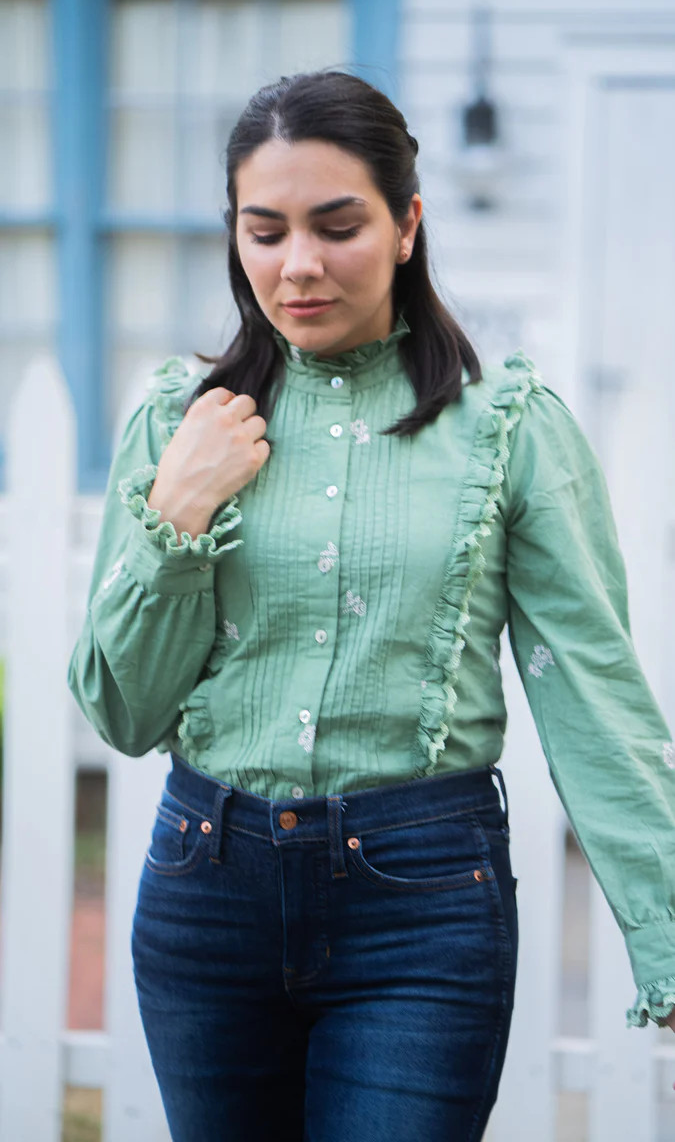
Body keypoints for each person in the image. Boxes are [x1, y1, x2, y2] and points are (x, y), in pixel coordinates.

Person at [67, 70, 675, 1142]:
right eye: (265, 231)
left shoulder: (509, 429)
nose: (296, 265)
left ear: (407, 226)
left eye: (337, 226)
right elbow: (123, 714)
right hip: (204, 891)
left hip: (423, 902)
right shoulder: (180, 422)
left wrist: (665, 929)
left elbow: (593, 693)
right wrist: (180, 513)